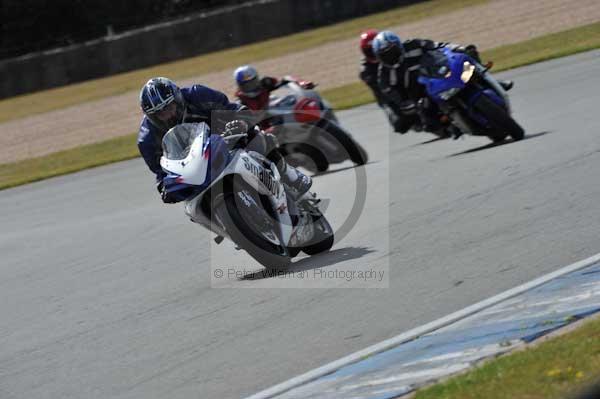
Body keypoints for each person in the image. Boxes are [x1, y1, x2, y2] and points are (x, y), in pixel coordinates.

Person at [137, 77, 312, 203]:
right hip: (193, 165)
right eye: (159, 113)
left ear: (178, 98)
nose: (167, 114)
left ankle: (288, 174)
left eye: (169, 106)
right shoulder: (147, 138)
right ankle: (229, 225)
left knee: (257, 137)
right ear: (150, 116)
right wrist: (164, 188)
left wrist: (240, 122)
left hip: (224, 139)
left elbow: (234, 109)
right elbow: (160, 171)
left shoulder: (198, 95)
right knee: (184, 196)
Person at [371, 31, 513, 135]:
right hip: (420, 93)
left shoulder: (413, 45)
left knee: (467, 60)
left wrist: (459, 48)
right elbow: (395, 97)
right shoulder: (383, 75)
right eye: (385, 55)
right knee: (428, 119)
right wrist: (412, 106)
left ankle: (495, 82)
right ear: (379, 57)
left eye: (392, 51)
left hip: (438, 73)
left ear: (399, 46)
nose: (390, 56)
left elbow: (439, 46)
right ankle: (452, 124)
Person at [358, 29, 405, 134]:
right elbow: (380, 87)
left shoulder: (395, 54)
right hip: (388, 99)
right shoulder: (365, 70)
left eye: (373, 49)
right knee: (399, 125)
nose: (372, 53)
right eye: (369, 51)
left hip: (405, 85)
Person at [233, 65, 315, 111]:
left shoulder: (265, 83)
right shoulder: (240, 102)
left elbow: (286, 79)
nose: (251, 87)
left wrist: (301, 83)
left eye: (253, 83)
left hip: (277, 114)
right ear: (240, 85)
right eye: (247, 85)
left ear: (257, 79)